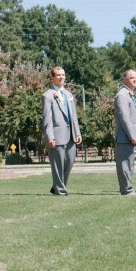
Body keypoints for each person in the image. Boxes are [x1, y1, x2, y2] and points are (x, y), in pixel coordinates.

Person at [42, 67, 82, 196]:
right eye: (58, 75)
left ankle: (56, 186)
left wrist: (77, 133)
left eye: (63, 75)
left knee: (69, 162)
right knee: (57, 164)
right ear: (52, 78)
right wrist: (50, 137)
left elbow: (73, 116)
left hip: (71, 135)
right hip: (56, 135)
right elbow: (47, 118)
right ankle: (60, 190)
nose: (61, 77)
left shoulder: (69, 95)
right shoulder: (47, 95)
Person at [114, 69, 136, 195]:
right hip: (124, 137)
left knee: (130, 165)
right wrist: (132, 135)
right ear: (124, 79)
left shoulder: (129, 94)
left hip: (128, 138)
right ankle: (127, 190)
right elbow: (125, 118)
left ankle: (128, 188)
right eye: (131, 77)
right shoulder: (122, 95)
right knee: (125, 166)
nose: (134, 79)